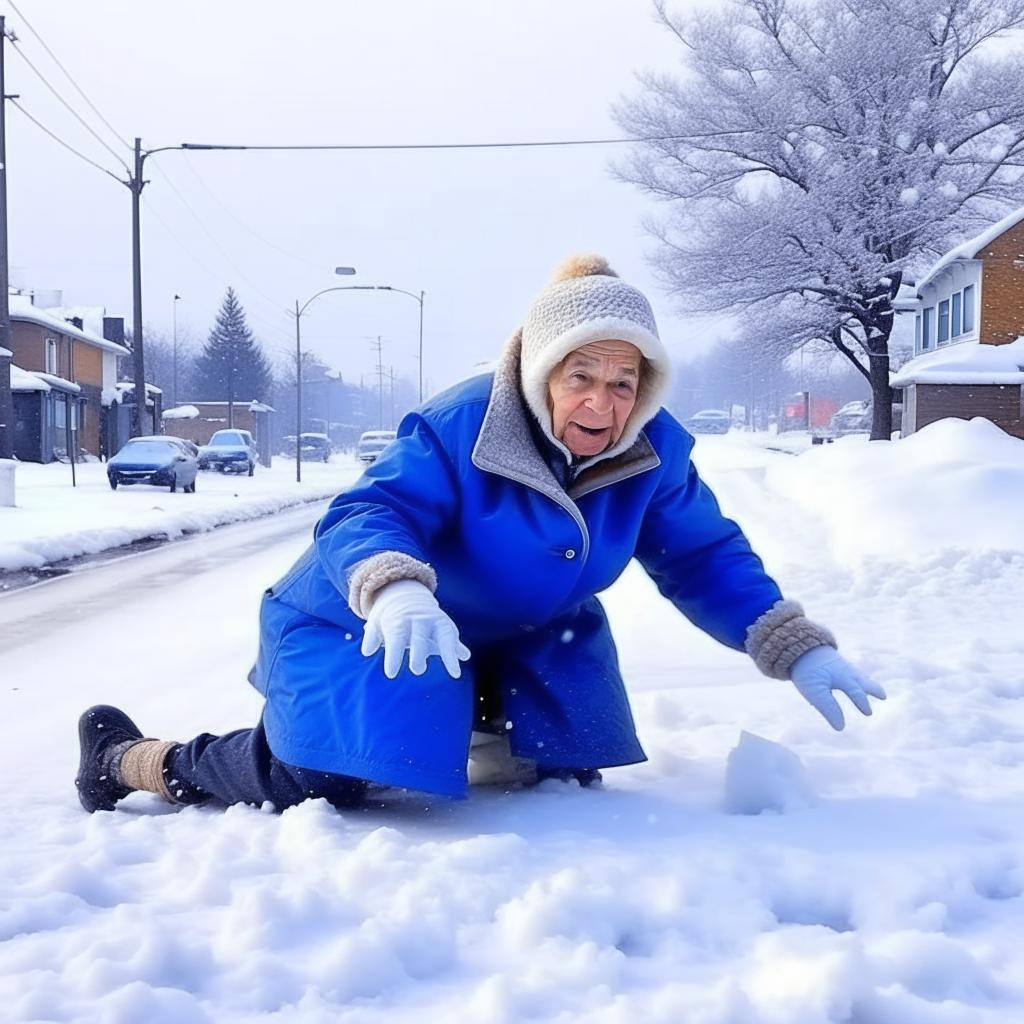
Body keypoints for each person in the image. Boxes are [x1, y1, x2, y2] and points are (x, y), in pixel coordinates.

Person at [76, 255, 885, 814]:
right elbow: (367, 514)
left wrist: (790, 643)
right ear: (541, 371)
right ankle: (131, 760)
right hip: (365, 616)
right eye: (581, 376)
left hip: (528, 632)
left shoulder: (655, 449)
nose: (602, 404)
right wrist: (392, 587)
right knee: (324, 780)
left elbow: (702, 554)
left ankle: (469, 722)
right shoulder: (461, 424)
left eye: (622, 381)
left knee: (567, 767)